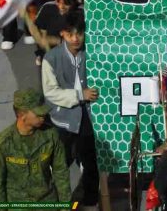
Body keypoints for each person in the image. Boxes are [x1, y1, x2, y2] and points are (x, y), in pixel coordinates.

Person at [42, 11, 100, 208]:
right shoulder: (51, 58)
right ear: (62, 35)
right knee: (59, 163)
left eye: (79, 33)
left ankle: (91, 197)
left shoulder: (93, 53)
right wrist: (79, 95)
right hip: (63, 119)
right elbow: (50, 92)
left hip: (89, 117)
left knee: (90, 160)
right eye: (70, 34)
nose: (75, 39)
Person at [0, 89, 70, 206]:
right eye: (38, 114)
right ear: (22, 115)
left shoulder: (51, 135)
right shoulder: (1, 144)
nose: (43, 116)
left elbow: (61, 173)